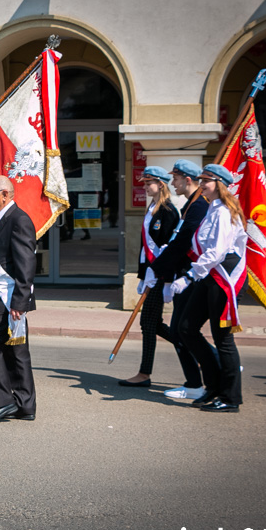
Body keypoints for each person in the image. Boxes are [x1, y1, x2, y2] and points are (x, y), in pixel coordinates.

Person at [169, 164, 247, 412]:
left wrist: (190, 276)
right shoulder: (213, 208)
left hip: (222, 276)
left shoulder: (224, 211)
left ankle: (230, 397)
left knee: (223, 338)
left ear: (220, 184)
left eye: (207, 180)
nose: (202, 183)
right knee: (186, 328)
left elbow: (217, 252)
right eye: (201, 179)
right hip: (209, 274)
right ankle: (212, 387)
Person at [0, 176, 38, 422]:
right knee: (14, 349)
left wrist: (19, 302)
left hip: (9, 297)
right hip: (0, 296)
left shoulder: (18, 220)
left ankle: (4, 401)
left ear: (5, 194)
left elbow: (26, 264)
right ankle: (25, 405)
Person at [150, 159, 211, 400]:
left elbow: (184, 242)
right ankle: (196, 382)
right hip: (183, 275)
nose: (172, 183)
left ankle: (211, 371)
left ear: (187, 179)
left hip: (191, 276)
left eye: (174, 178)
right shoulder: (191, 204)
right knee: (180, 331)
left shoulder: (198, 205)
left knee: (182, 330)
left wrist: (159, 269)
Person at [118, 166, 179, 388]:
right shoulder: (152, 208)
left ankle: (145, 373)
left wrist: (162, 277)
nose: (144, 186)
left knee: (149, 323)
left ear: (161, 184)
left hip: (160, 275)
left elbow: (168, 248)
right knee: (151, 323)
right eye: (144, 182)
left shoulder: (169, 212)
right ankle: (194, 347)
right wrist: (143, 274)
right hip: (151, 274)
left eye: (148, 183)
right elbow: (146, 248)